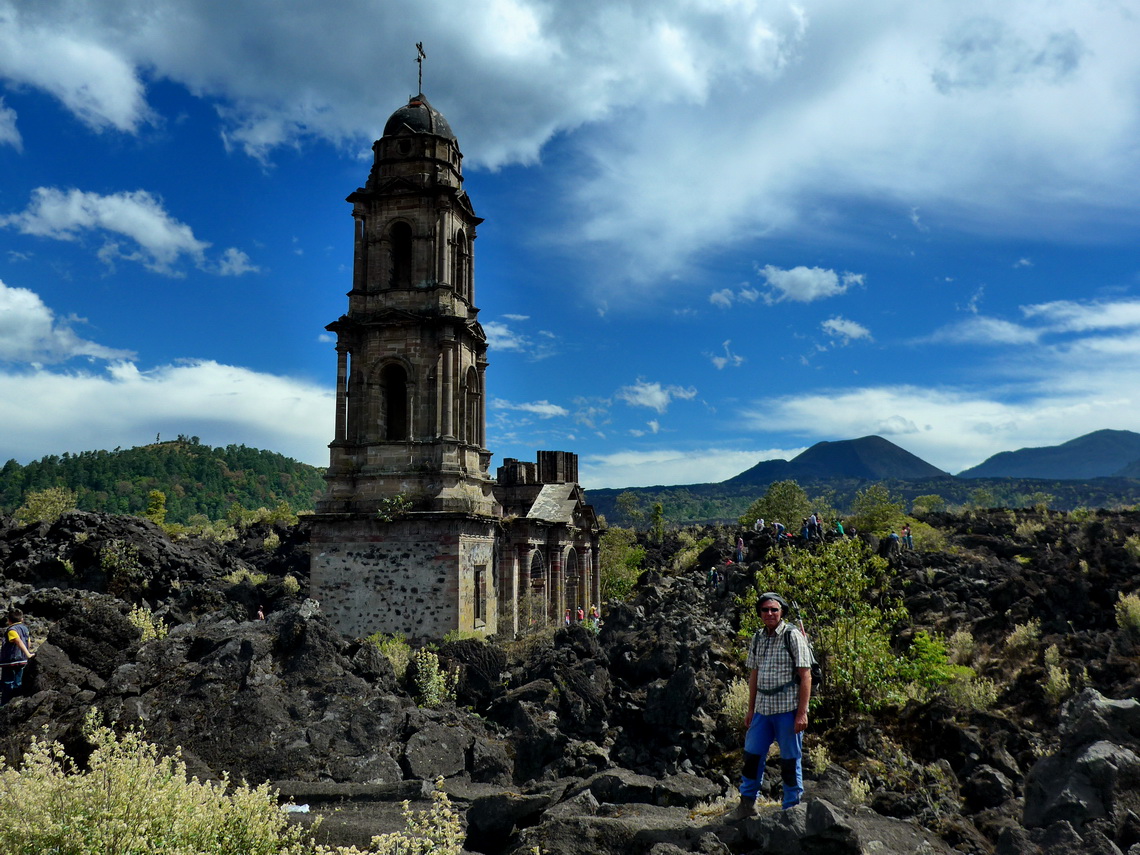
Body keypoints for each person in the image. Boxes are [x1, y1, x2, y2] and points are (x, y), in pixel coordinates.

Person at [729, 593, 812, 819]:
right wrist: (750, 709)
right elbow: (754, 674)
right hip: (762, 711)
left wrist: (802, 713)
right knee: (752, 757)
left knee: (789, 760)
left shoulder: (792, 635)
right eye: (765, 610)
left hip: (787, 709)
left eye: (774, 610)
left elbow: (806, 675)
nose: (769, 614)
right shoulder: (758, 637)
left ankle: (791, 810)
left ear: (782, 611)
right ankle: (747, 805)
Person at [1, 608, 32, 705]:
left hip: (10, 661)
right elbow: (28, 643)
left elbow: (17, 641)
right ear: (22, 619)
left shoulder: (11, 630)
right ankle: (16, 703)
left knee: (7, 683)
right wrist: (27, 653)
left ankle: (4, 705)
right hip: (22, 660)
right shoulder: (25, 629)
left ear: (9, 620)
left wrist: (27, 654)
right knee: (18, 682)